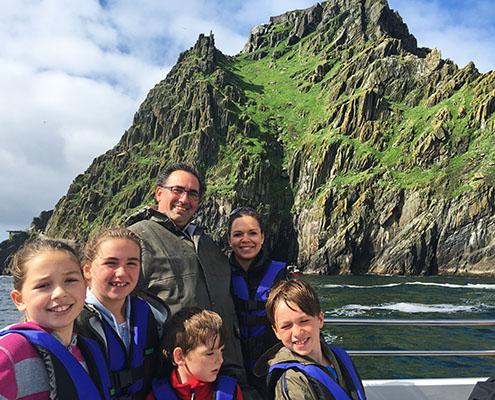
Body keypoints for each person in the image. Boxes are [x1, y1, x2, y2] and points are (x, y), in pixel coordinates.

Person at [126, 162, 250, 395]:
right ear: (159, 193)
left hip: (225, 370)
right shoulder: (137, 237)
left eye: (192, 194)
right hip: (175, 379)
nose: (184, 199)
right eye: (178, 190)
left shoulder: (206, 243)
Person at [0, 239, 113, 399]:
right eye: (43, 285)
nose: (59, 293)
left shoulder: (90, 351)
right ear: (19, 300)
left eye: (70, 280)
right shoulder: (9, 352)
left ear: (85, 287)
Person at [74, 227, 169, 400]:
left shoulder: (153, 316)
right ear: (87, 270)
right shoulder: (70, 322)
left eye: (132, 263)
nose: (122, 273)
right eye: (111, 263)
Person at [253, 279, 366, 400]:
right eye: (286, 326)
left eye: (304, 321)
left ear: (320, 319)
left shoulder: (338, 358)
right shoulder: (292, 381)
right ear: (276, 332)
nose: (297, 333)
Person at [227, 207, 288, 396]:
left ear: (262, 237)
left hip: (271, 369)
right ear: (229, 240)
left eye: (252, 233)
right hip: (231, 370)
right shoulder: (220, 274)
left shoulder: (280, 275)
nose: (246, 239)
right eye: (238, 234)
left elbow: (299, 315)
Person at [147, 307, 243, 400]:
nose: (220, 360)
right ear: (180, 356)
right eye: (210, 353)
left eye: (221, 350)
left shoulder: (230, 393)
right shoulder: (157, 396)